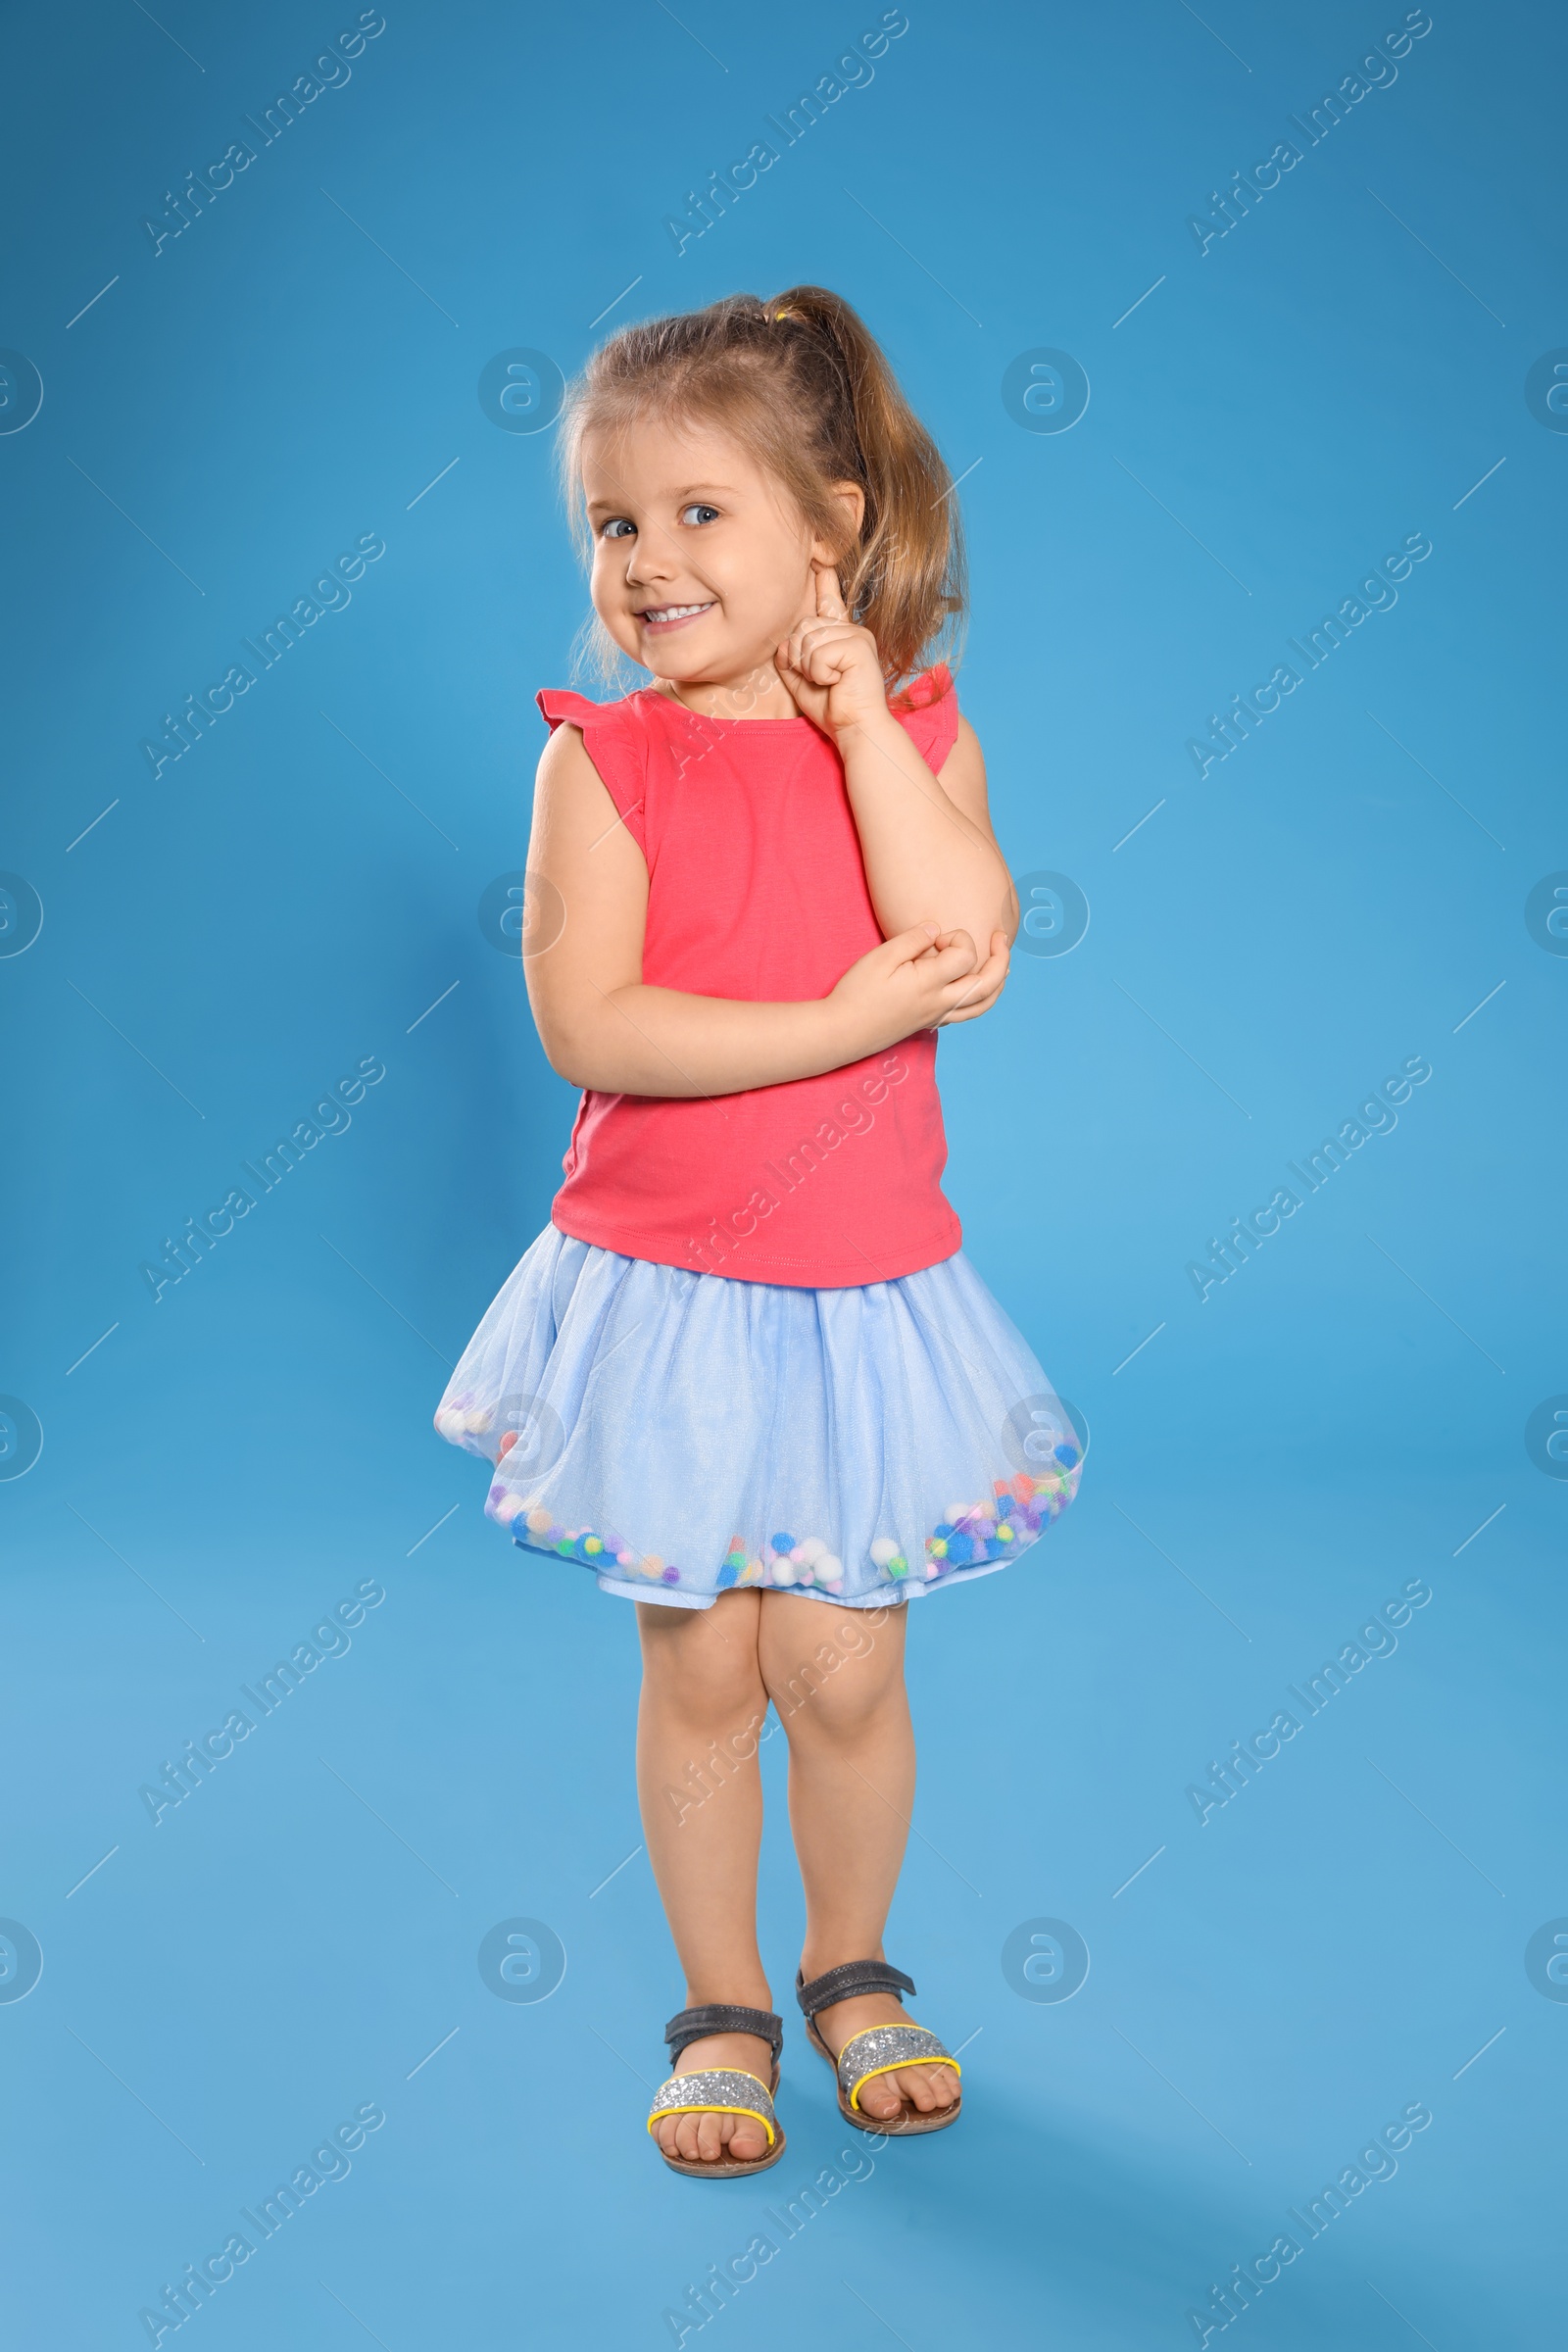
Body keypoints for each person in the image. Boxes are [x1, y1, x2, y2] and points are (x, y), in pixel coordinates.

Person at [435, 286, 1084, 2178]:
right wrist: (834, 1025)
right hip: (671, 1291)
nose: (644, 562)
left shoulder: (920, 726)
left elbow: (966, 937)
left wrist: (861, 717)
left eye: (699, 512)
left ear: (836, 526)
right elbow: (592, 1023)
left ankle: (852, 1968)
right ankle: (720, 2005)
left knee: (846, 1667)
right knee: (705, 1663)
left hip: (862, 1290)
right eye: (613, 524)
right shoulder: (602, 761)